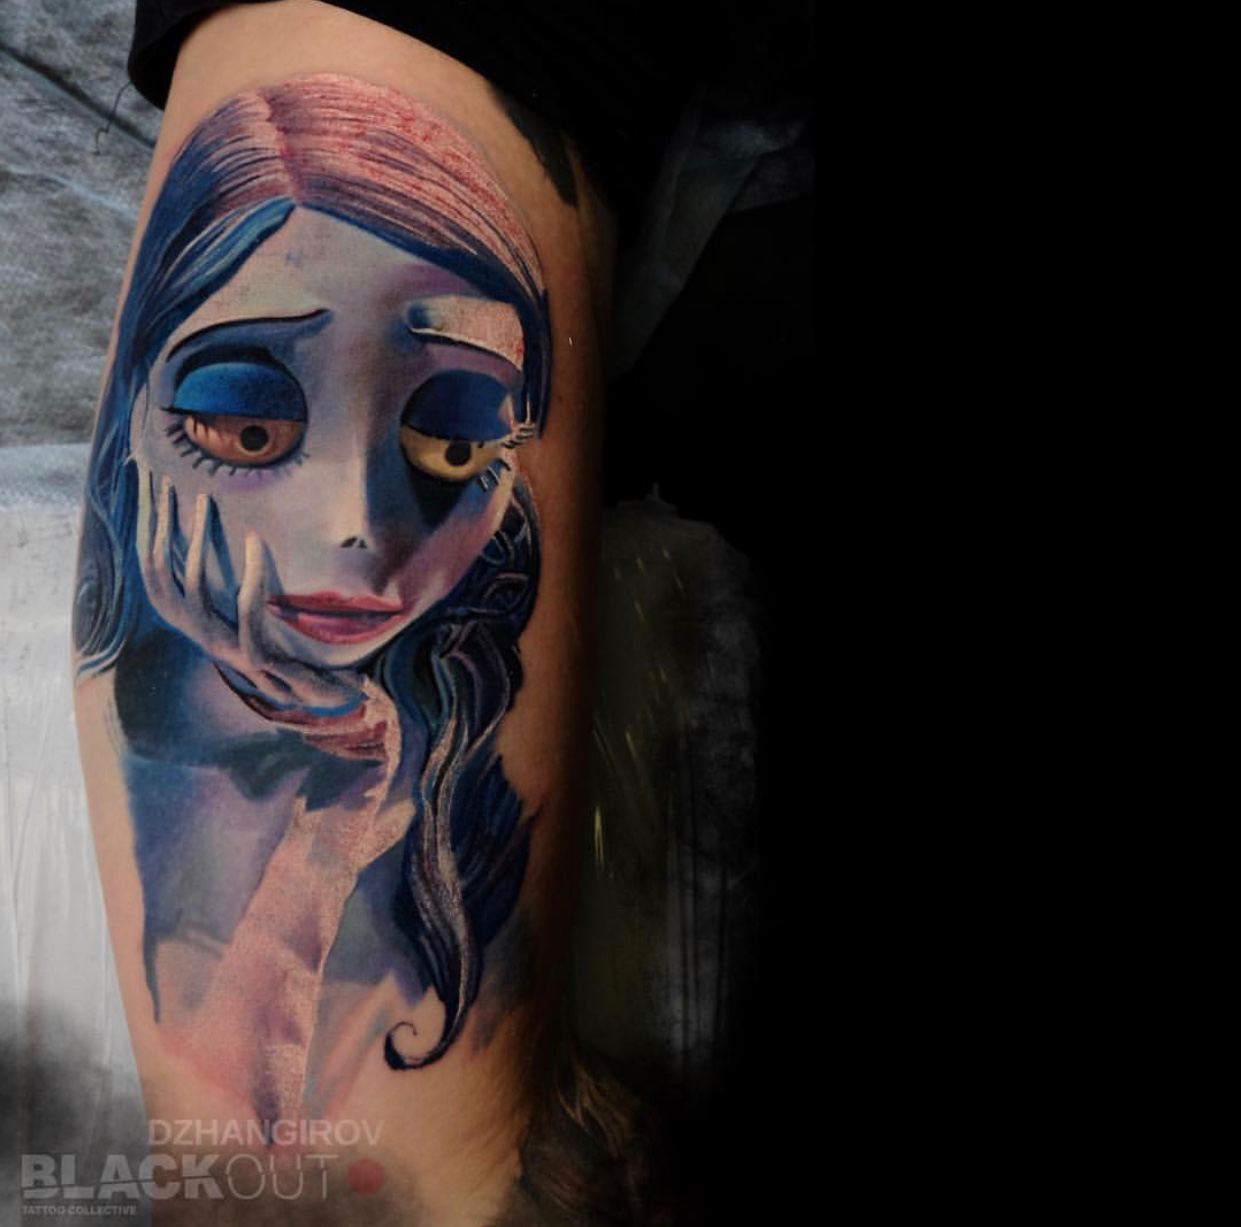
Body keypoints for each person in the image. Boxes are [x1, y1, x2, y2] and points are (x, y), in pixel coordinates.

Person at [76, 7, 616, 1222]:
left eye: (455, 438)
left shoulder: (439, 743)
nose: (359, 528)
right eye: (247, 425)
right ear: (128, 438)